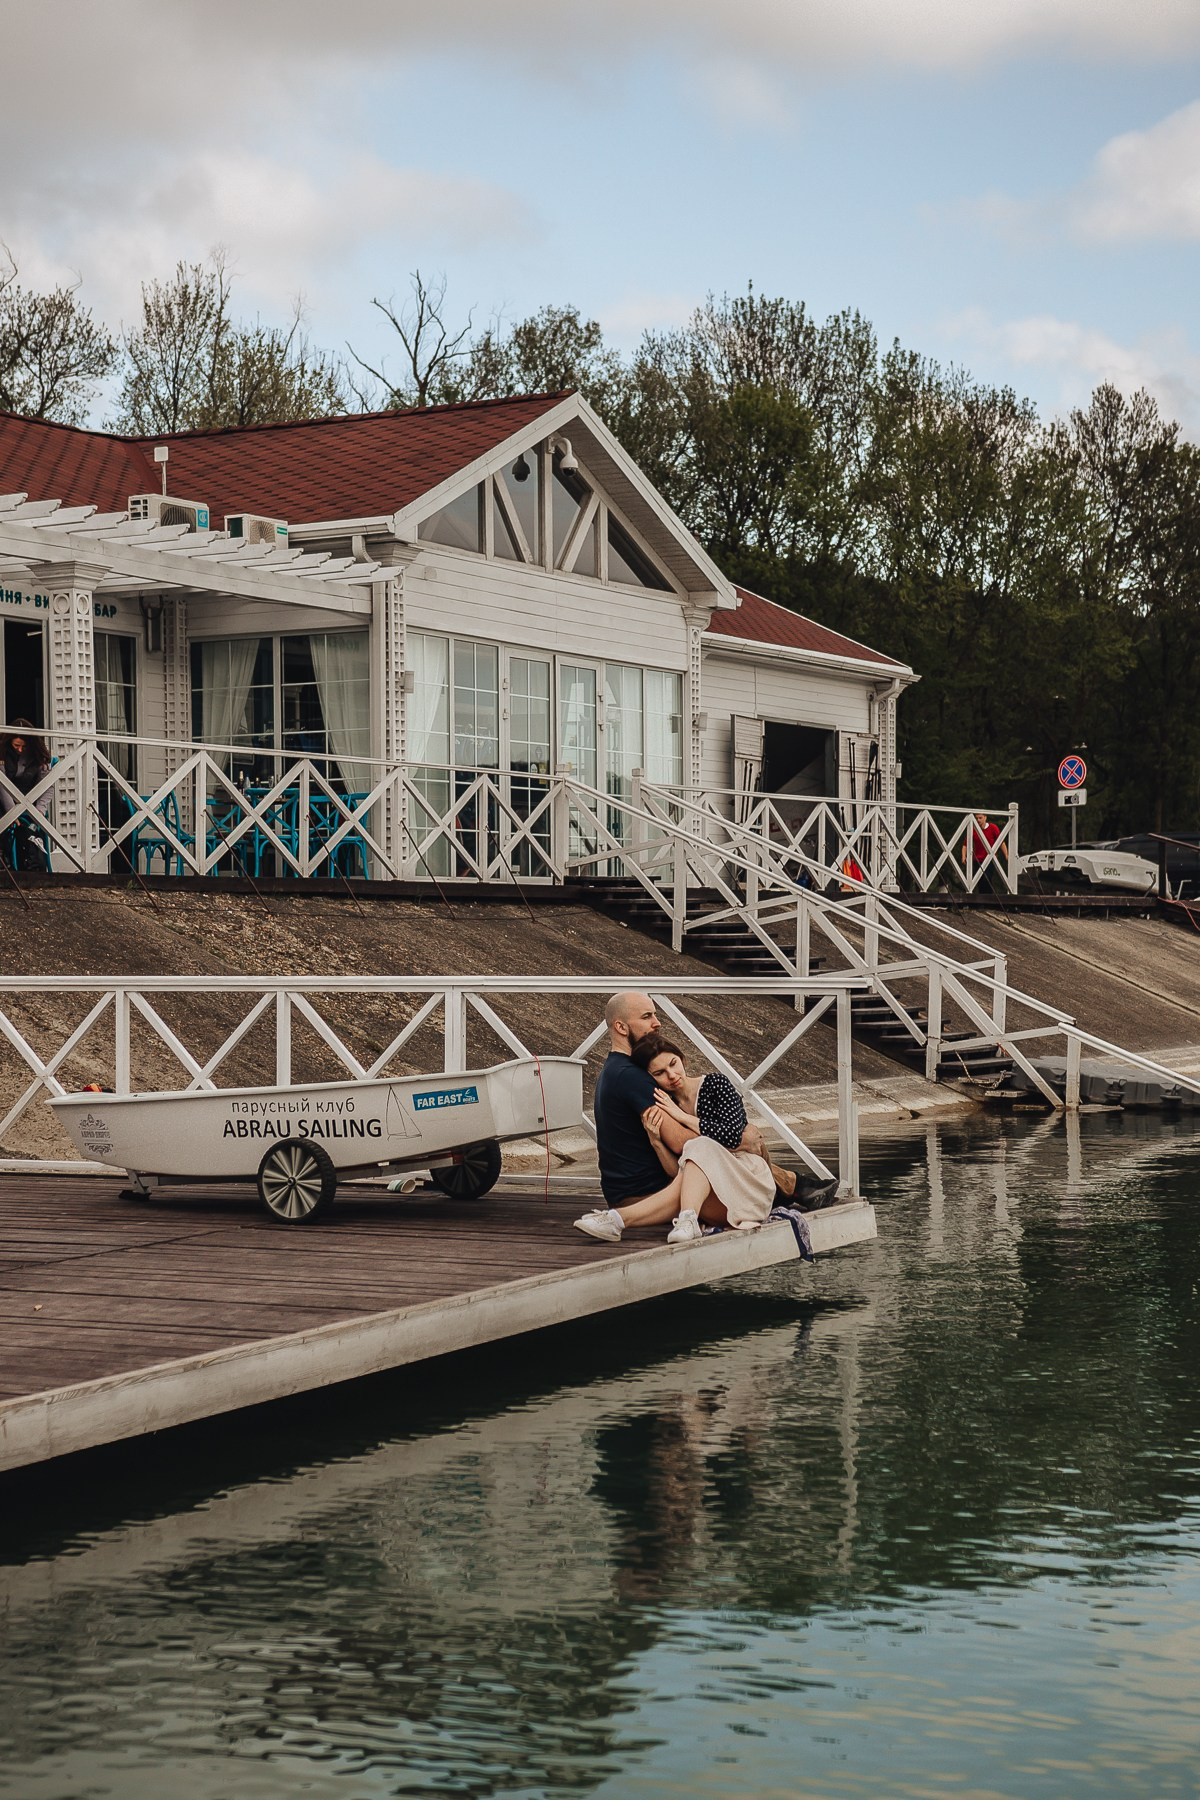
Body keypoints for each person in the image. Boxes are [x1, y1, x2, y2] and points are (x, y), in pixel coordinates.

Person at [575, 1036, 775, 1245]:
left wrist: (682, 1117)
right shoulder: (666, 1103)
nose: (672, 1075)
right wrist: (656, 1141)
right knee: (691, 1163)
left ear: (683, 1059)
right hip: (717, 1197)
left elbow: (733, 1135)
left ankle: (617, 1219)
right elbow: (678, 1171)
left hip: (748, 1178)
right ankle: (684, 1220)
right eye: (659, 1073)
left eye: (673, 1064)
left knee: (700, 1144)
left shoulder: (716, 1084)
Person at [585, 992, 686, 1218]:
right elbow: (680, 1142)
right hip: (647, 1197)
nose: (657, 1023)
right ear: (621, 1027)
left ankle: (785, 1183)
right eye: (647, 1016)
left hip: (627, 1194)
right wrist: (733, 1136)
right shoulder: (630, 1076)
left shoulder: (615, 1068)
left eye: (655, 1015)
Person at [0, 722, 51, 872]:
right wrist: (11, 812)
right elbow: (1, 785)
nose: (20, 750)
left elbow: (48, 786)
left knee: (29, 830)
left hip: (29, 803)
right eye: (16, 746)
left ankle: (33, 864)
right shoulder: (2, 753)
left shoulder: (39, 757)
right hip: (4, 801)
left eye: (24, 746)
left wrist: (40, 810)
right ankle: (4, 859)